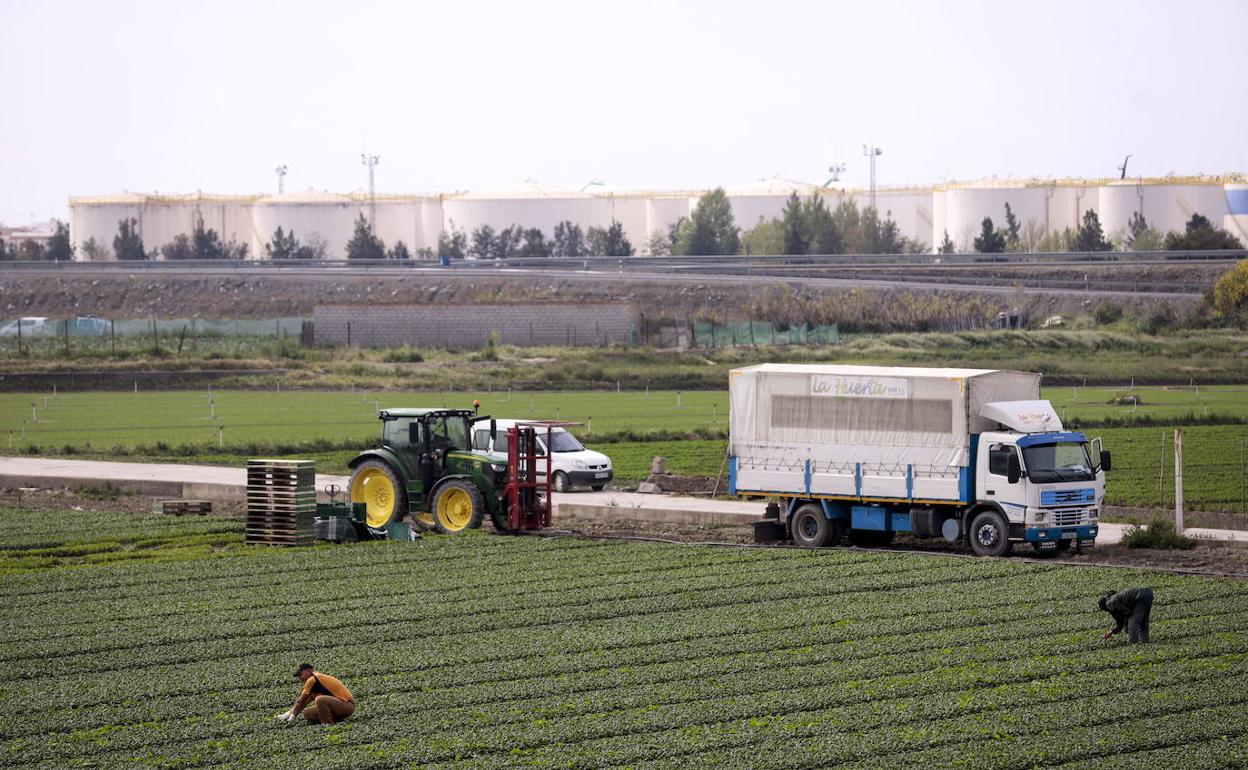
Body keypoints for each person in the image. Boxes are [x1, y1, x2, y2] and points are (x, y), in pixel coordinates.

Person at [276, 664, 355, 724]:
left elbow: (300, 700)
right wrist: (287, 714)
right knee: (308, 713)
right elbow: (303, 702)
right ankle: (337, 720)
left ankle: (328, 725)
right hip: (338, 706)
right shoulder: (315, 683)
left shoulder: (312, 679)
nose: (299, 678)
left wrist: (291, 719)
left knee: (320, 699)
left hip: (347, 705)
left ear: (308, 671)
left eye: (300, 675)